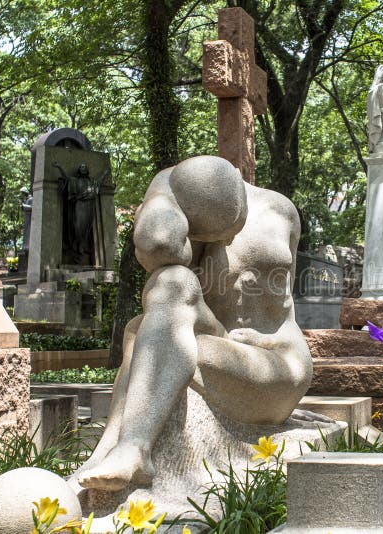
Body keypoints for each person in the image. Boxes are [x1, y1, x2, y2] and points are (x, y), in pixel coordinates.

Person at [77, 156, 314, 491]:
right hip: (210, 340)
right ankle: (132, 448)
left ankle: (125, 446)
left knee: (155, 342)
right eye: (222, 234)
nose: (231, 239)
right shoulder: (181, 201)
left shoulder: (281, 209)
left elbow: (285, 306)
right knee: (172, 283)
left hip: (277, 363)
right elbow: (156, 243)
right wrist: (167, 190)